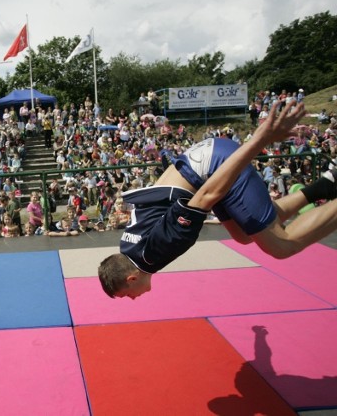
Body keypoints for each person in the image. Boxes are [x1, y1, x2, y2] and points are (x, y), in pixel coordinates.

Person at [98, 101, 337, 301]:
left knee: (280, 246)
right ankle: (326, 184)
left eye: (128, 295)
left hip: (213, 166)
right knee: (244, 235)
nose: (133, 299)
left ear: (132, 279)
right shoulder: (127, 250)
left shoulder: (155, 252)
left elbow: (208, 196)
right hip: (199, 166)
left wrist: (259, 141)